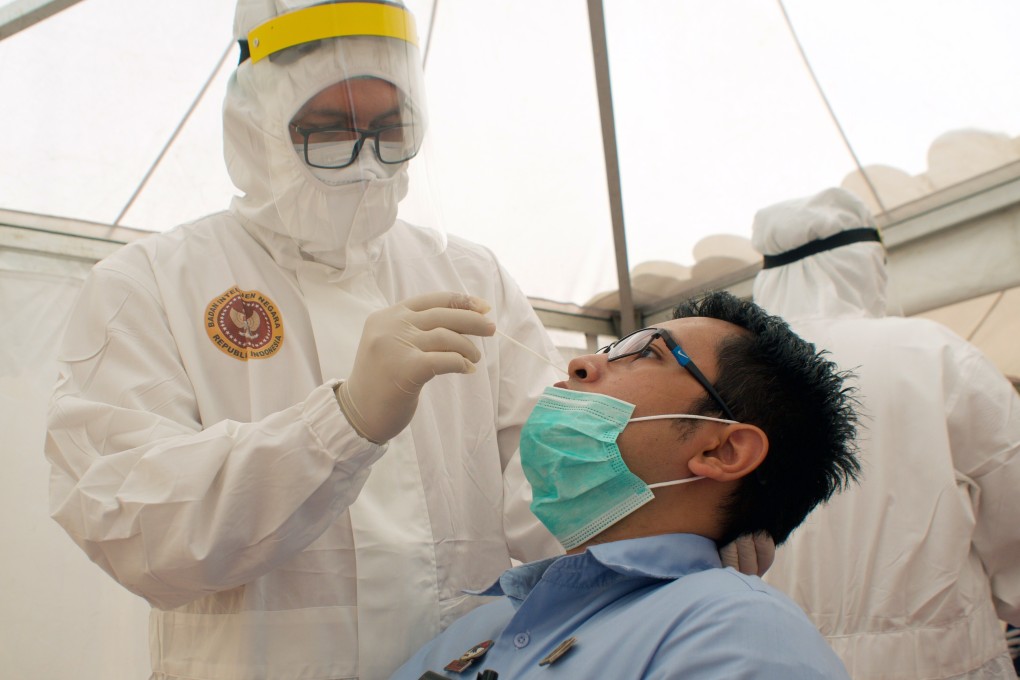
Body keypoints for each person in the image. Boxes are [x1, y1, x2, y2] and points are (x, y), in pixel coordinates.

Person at [44, 2, 566, 679]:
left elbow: (553, 480)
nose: (368, 164)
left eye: (390, 130)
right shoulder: (150, 284)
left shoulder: (471, 276)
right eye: (329, 131)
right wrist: (339, 427)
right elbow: (135, 527)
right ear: (258, 124)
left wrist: (687, 520)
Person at [392, 291, 860, 679]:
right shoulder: (485, 624)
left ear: (722, 450)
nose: (580, 364)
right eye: (610, 347)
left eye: (645, 352)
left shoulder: (740, 631)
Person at [752, 187, 1020, 679]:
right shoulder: (935, 355)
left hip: (769, 661)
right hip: (941, 663)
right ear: (865, 264)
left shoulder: (728, 374)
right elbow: (1013, 504)